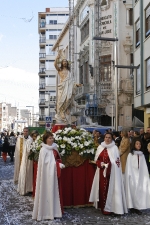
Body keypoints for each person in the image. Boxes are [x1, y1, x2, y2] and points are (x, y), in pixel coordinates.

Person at [89, 133, 127, 215]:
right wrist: (100, 164)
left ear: (111, 139)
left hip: (112, 173)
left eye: (109, 137)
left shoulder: (114, 148)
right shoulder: (100, 147)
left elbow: (116, 161)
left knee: (111, 190)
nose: (107, 139)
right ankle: (103, 208)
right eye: (106, 137)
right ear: (104, 138)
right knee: (102, 189)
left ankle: (111, 208)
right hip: (101, 173)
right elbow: (97, 159)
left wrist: (109, 165)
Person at [32, 131, 65, 221]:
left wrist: (59, 163)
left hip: (54, 174)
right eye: (49, 138)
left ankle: (55, 212)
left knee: (54, 191)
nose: (51, 139)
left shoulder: (54, 148)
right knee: (47, 190)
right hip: (46, 176)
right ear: (45, 140)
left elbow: (57, 158)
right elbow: (45, 163)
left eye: (52, 138)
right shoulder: (43, 150)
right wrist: (57, 165)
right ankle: (46, 213)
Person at [54, 50, 82, 124]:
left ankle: (66, 108)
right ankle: (62, 111)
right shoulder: (60, 70)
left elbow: (72, 81)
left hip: (69, 87)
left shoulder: (70, 72)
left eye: (66, 61)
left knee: (69, 98)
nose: (65, 62)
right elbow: (55, 65)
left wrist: (77, 84)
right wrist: (57, 58)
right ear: (62, 63)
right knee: (62, 100)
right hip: (63, 87)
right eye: (64, 61)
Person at [124, 138, 150, 215]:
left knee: (139, 191)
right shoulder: (130, 155)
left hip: (140, 176)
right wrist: (129, 175)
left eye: (139, 144)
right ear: (134, 145)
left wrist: (145, 176)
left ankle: (138, 206)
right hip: (132, 176)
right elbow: (129, 166)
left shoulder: (142, 155)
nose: (138, 145)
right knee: (132, 190)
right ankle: (132, 206)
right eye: (137, 144)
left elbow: (144, 167)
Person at [17, 130, 39, 196]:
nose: (36, 137)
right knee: (28, 173)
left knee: (30, 174)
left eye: (37, 136)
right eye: (35, 136)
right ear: (32, 136)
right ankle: (27, 188)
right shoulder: (30, 141)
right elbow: (30, 150)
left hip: (30, 159)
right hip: (28, 160)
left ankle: (30, 188)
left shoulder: (31, 140)